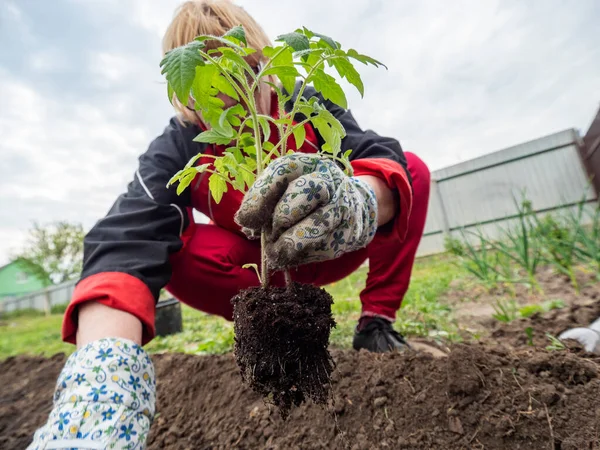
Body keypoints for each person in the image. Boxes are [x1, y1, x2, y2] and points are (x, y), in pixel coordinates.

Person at [28, 0, 431, 448]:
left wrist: (357, 203)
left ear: (263, 67)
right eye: (210, 102)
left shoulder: (306, 103)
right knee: (173, 239)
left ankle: (376, 321)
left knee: (408, 171)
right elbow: (128, 234)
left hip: (333, 246)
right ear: (187, 98)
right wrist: (101, 381)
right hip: (252, 276)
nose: (235, 120)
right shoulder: (178, 144)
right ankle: (263, 332)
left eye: (242, 86)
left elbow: (378, 153)